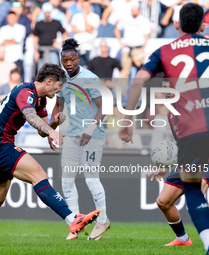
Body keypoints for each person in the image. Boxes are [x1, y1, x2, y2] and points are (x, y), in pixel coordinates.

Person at [0, 63, 100, 244]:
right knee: (38, 174)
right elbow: (30, 116)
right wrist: (52, 131)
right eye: (59, 87)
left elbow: (41, 130)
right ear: (50, 81)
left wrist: (53, 124)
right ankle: (72, 219)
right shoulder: (25, 92)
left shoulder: (41, 99)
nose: (59, 92)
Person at [118, 3, 209, 252]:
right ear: (203, 24)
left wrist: (127, 121)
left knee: (198, 187)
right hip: (193, 145)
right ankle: (183, 238)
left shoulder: (165, 52)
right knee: (163, 201)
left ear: (176, 24)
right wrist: (170, 165)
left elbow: (137, 82)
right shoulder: (176, 109)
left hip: (199, 141)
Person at [50, 38, 110, 240]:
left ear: (78, 59)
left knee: (91, 179)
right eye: (65, 60)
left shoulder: (90, 79)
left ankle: (103, 222)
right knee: (66, 181)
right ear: (61, 59)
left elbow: (105, 106)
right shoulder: (62, 81)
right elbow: (58, 107)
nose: (68, 63)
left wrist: (90, 129)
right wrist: (53, 128)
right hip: (72, 136)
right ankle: (76, 223)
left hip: (93, 136)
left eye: (72, 59)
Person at [148, 77, 209, 246]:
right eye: (165, 88)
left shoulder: (195, 109)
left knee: (198, 199)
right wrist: (165, 167)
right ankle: (183, 239)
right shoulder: (170, 114)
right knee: (163, 202)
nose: (168, 92)